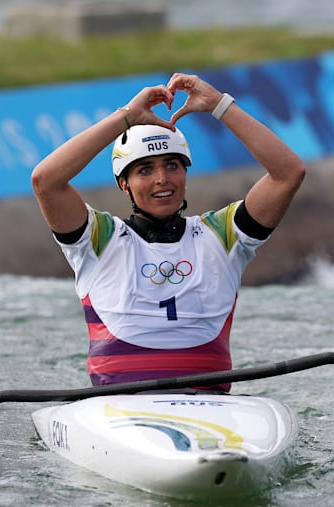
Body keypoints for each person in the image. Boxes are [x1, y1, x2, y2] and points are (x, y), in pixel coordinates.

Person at [31, 72, 306, 392]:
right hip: (119, 408)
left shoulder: (224, 235)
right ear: (124, 184)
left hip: (210, 408)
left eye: (172, 165)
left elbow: (288, 173)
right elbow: (45, 181)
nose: (162, 178)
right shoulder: (97, 240)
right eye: (145, 169)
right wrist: (126, 117)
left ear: (185, 174)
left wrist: (218, 105)